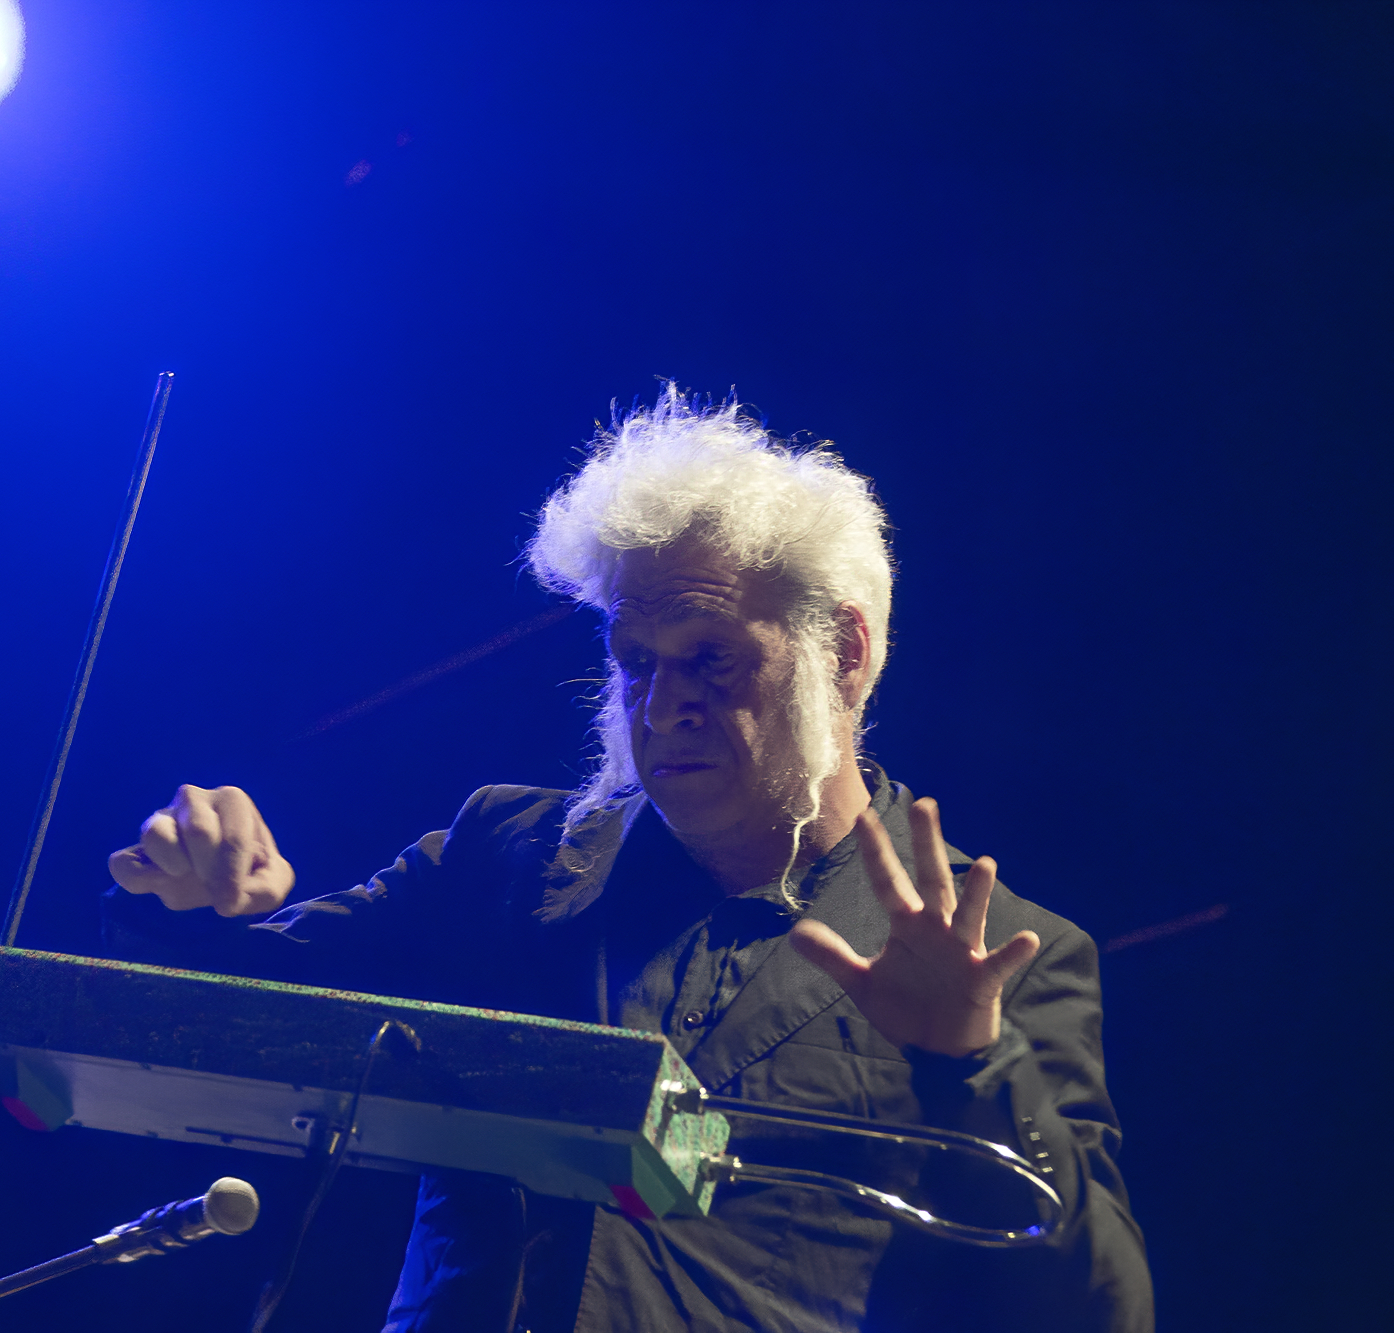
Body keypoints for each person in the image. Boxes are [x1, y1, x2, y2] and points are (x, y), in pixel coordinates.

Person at [103, 388, 1152, 1333]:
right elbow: (212, 1024)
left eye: (711, 657)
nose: (662, 705)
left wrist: (973, 1063)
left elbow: (1097, 1311)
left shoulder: (1005, 952)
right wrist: (194, 902)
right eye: (635, 661)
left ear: (845, 650)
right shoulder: (505, 855)